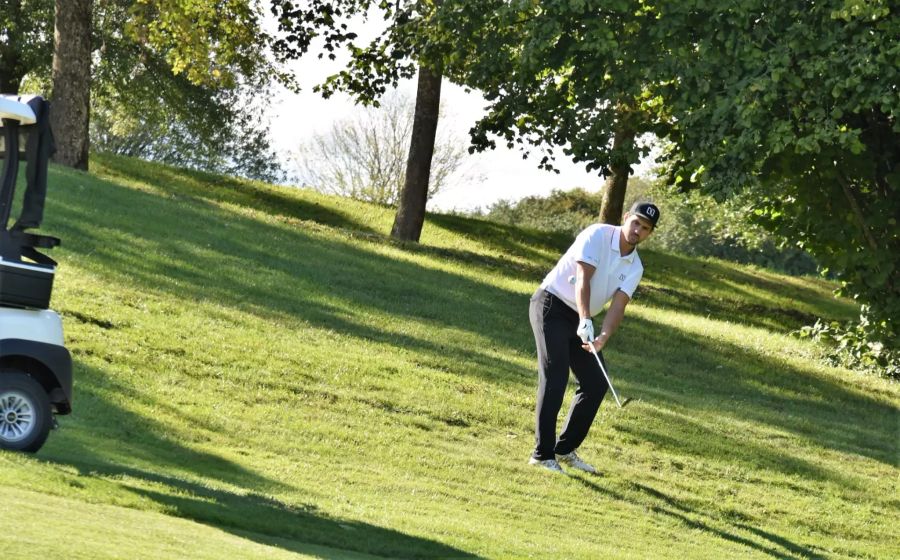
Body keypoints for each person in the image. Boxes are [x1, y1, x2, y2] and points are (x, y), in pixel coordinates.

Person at [527, 201, 659, 474]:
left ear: (649, 233)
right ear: (626, 218)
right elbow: (583, 278)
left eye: (645, 228)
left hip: (581, 318)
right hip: (552, 305)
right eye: (635, 222)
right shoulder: (597, 234)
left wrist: (602, 337)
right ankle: (542, 455)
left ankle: (564, 449)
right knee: (555, 376)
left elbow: (619, 306)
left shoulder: (635, 267)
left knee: (596, 383)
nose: (637, 230)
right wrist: (586, 318)